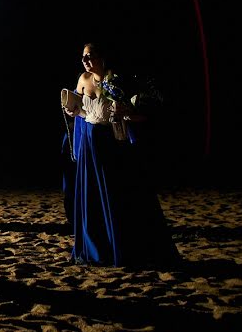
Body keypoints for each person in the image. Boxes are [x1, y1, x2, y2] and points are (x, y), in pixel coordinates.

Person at [63, 43, 178, 267]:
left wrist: (126, 112)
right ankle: (95, 248)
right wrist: (71, 110)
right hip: (89, 145)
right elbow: (78, 110)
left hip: (111, 145)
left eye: (91, 55)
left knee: (116, 197)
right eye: (83, 57)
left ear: (102, 57)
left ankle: (120, 246)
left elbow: (139, 114)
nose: (86, 60)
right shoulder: (83, 79)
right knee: (92, 198)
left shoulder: (115, 80)